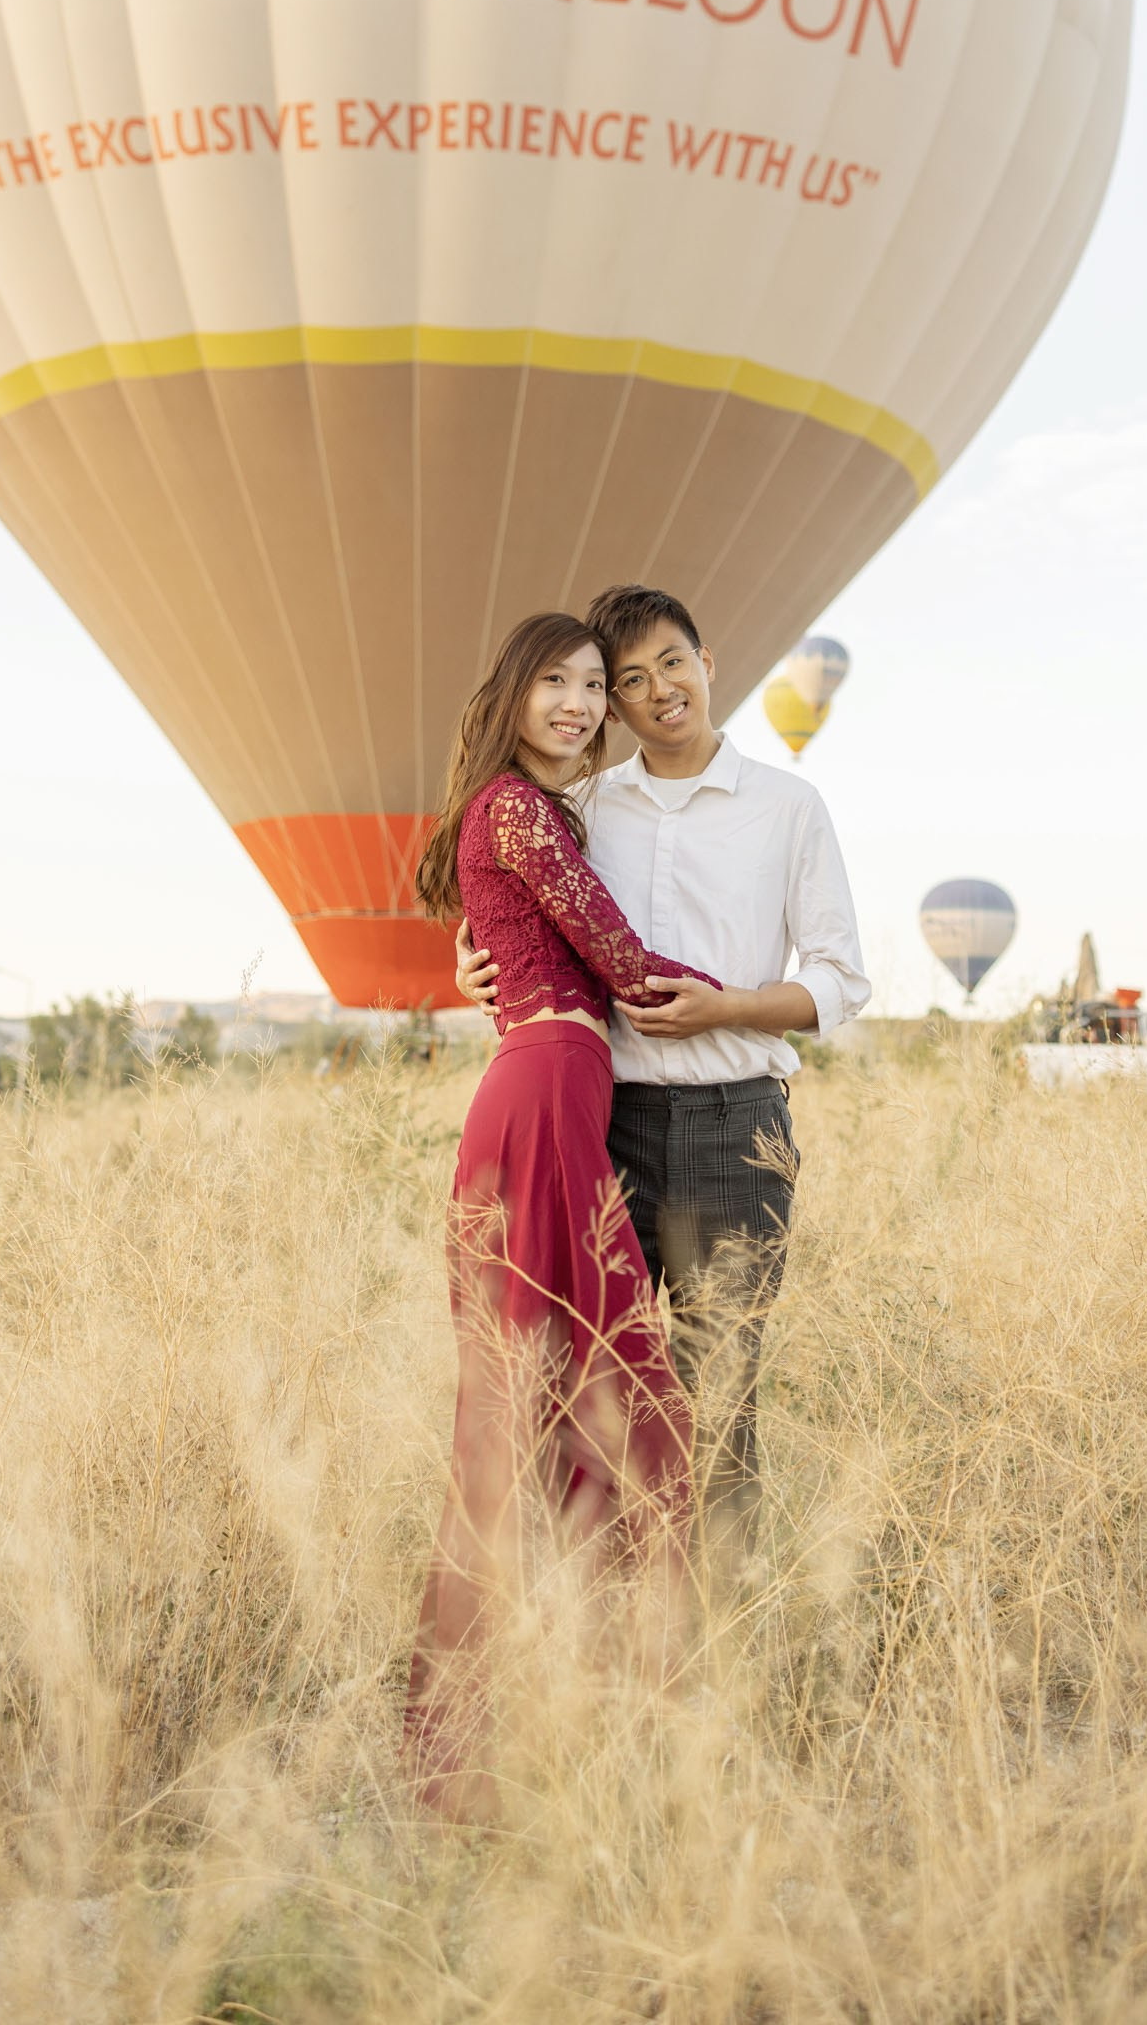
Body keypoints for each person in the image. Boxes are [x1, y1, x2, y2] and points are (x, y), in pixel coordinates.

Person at [458, 583, 868, 1563]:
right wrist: (474, 963)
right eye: (628, 681)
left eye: (671, 665)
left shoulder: (788, 807)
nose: (657, 692)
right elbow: (507, 899)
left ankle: (717, 1646)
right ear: (612, 705)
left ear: (710, 660)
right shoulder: (582, 803)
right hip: (610, 1128)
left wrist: (725, 1007)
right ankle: (606, 1624)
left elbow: (840, 981)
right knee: (599, 1383)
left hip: (740, 1127)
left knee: (722, 1391)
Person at [406, 610, 713, 1811]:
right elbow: (620, 959)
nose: (584, 705)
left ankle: (546, 1694)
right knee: (602, 1391)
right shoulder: (522, 810)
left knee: (545, 1391)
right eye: (560, 683)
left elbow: (532, 941)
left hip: (548, 1097)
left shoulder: (520, 816)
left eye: (598, 686)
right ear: (512, 694)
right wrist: (744, 1009)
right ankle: (549, 1704)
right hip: (542, 1098)